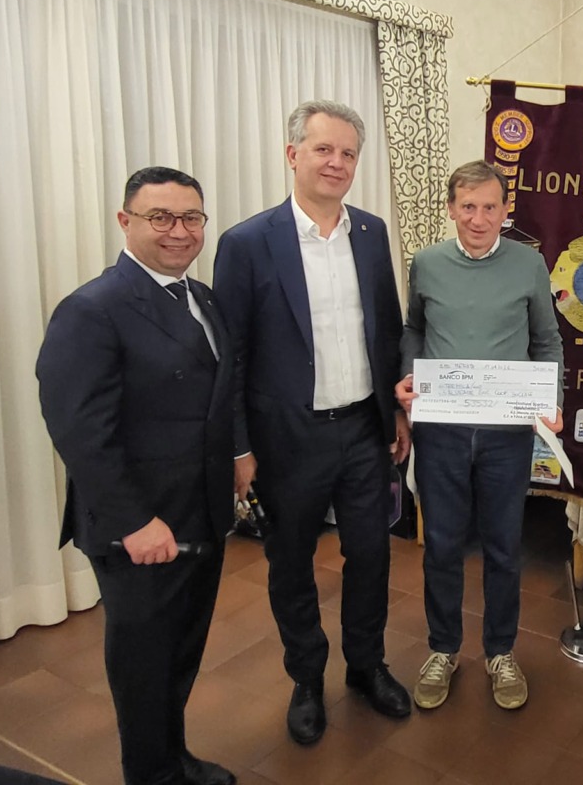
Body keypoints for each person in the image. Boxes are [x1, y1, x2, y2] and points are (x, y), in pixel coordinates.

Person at [212, 100, 410, 746]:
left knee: (371, 554)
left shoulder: (371, 233)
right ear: (293, 154)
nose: (337, 163)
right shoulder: (247, 243)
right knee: (291, 561)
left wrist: (395, 410)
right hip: (287, 438)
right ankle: (306, 677)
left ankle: (367, 665)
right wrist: (239, 446)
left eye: (348, 153)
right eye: (324, 149)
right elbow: (232, 356)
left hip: (363, 429)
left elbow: (386, 331)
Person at [37, 167, 236, 785]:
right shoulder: (92, 310)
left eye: (191, 218)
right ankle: (150, 773)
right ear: (126, 221)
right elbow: (80, 433)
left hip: (199, 509)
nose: (179, 231)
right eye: (161, 217)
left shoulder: (202, 297)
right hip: (141, 525)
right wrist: (134, 522)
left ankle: (173, 758)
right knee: (145, 663)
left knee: (182, 650)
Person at [396, 160, 563, 712]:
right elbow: (415, 328)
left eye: (490, 207)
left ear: (505, 210)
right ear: (451, 209)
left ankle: (500, 652)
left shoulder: (529, 264)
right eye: (468, 206)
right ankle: (443, 648)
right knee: (442, 546)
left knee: (503, 548)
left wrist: (552, 400)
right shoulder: (426, 264)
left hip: (505, 434)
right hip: (441, 431)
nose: (479, 218)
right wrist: (408, 375)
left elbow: (547, 340)